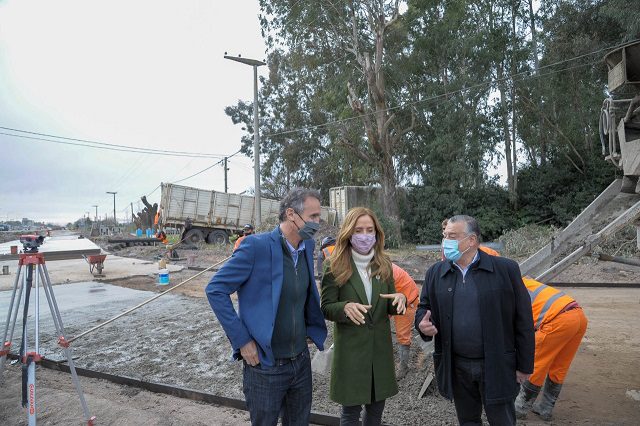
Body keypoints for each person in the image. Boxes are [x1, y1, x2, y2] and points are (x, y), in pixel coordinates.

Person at [206, 188, 328, 426]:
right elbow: (215, 289)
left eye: (318, 217)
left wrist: (308, 328)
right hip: (265, 366)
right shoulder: (256, 247)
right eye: (313, 216)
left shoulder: (308, 247)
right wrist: (242, 341)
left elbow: (300, 294)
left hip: (300, 363)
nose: (317, 223)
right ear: (291, 214)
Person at [416, 215, 534, 425]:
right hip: (457, 365)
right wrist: (422, 325)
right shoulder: (436, 272)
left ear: (471, 240)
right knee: (468, 421)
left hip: (496, 364)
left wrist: (524, 366)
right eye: (444, 236)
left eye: (452, 236)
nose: (445, 242)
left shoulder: (505, 270)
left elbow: (523, 319)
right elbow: (424, 308)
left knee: (502, 420)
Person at [321, 207, 407, 426]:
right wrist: (345, 307)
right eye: (359, 230)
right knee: (350, 414)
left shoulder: (384, 263)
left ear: (377, 233)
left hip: (379, 351)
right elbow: (327, 306)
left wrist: (400, 300)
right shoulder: (334, 265)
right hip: (351, 352)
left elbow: (389, 305)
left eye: (370, 230)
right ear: (349, 232)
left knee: (376, 412)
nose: (365, 235)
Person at [515, 277, 588, 421]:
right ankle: (546, 408)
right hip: (578, 317)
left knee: (536, 363)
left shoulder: (507, 288)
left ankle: (520, 408)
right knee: (559, 366)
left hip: (558, 320)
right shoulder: (524, 281)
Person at [390, 263, 420, 379]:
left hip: (407, 300)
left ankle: (403, 367)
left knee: (403, 334)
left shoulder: (384, 270)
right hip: (392, 297)